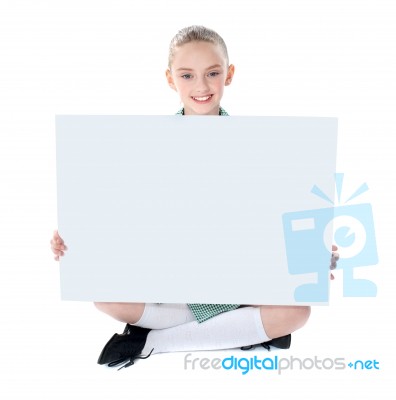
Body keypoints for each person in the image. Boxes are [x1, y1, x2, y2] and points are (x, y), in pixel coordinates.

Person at [51, 25, 339, 370]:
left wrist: (312, 253)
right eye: (187, 75)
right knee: (104, 298)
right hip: (171, 286)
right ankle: (241, 331)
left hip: (239, 286)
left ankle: (155, 341)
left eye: (212, 73)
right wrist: (74, 240)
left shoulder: (262, 147)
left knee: (297, 312)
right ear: (171, 79)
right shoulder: (144, 146)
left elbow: (279, 221)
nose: (201, 87)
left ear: (228, 75)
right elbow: (117, 219)